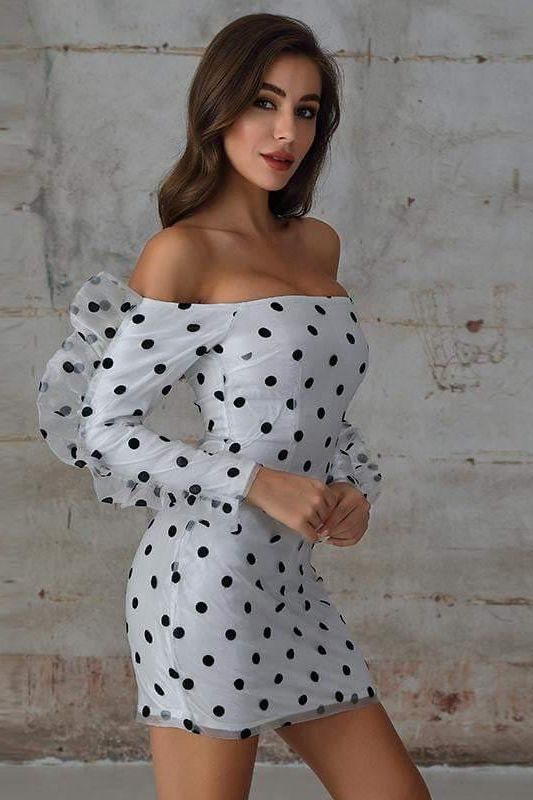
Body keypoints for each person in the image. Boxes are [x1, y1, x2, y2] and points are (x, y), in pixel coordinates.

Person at [36, 12, 432, 800]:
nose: (287, 132)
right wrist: (256, 482)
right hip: (203, 586)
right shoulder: (183, 253)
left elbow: (313, 406)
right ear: (218, 109)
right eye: (264, 103)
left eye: (306, 110)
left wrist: (352, 488)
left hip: (290, 584)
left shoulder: (316, 244)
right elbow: (103, 430)